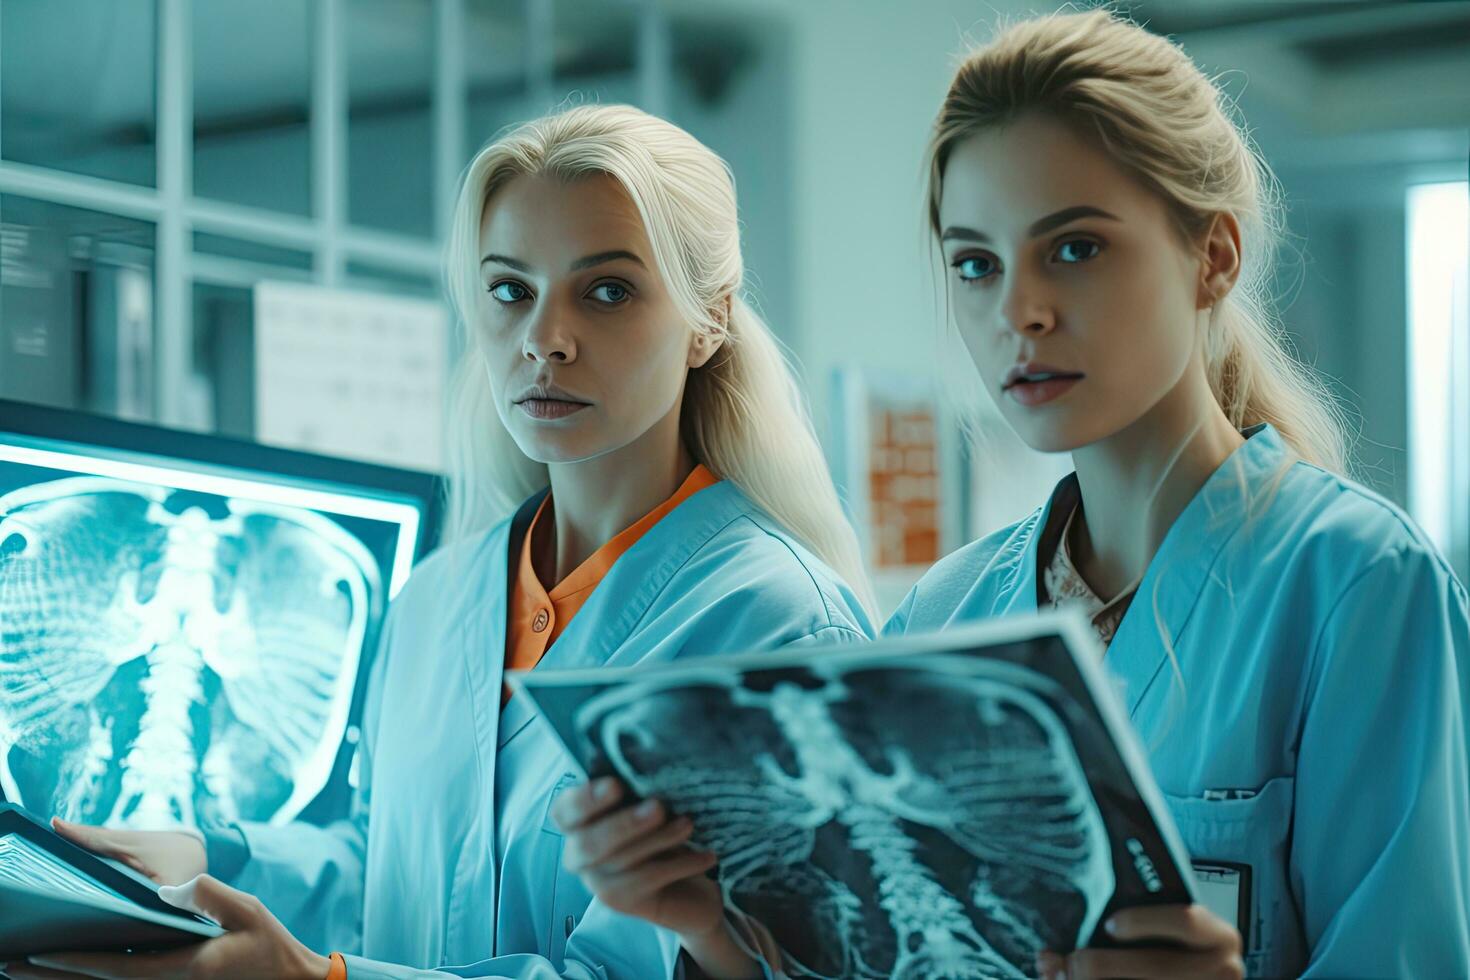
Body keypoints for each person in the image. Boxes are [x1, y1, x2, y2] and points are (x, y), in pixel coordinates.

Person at [556, 10, 1470, 980]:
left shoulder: (1360, 587)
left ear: (1214, 255)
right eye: (976, 263)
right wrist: (717, 930)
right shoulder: (948, 612)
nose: (1017, 312)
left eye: (1074, 248)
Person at [16, 104, 875, 980]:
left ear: (710, 322)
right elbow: (381, 863)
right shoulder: (437, 598)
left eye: (607, 290)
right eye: (511, 289)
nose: (545, 339)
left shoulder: (779, 631)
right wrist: (209, 860)